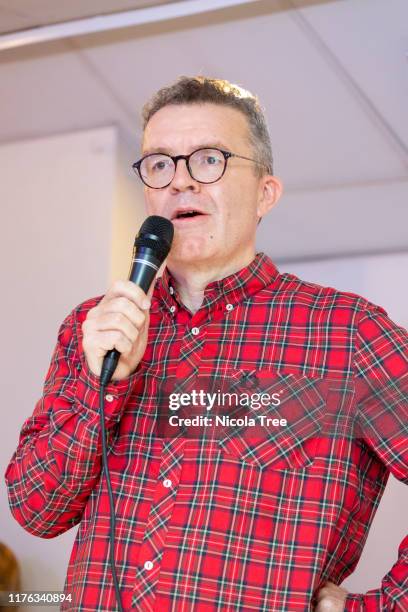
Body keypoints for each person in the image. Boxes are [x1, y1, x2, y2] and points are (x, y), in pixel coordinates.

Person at [4, 76, 407, 611]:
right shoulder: (96, 325)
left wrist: (380, 606)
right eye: (160, 164)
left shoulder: (346, 332)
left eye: (209, 160)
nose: (181, 182)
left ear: (266, 192)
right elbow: (36, 509)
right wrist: (103, 385)